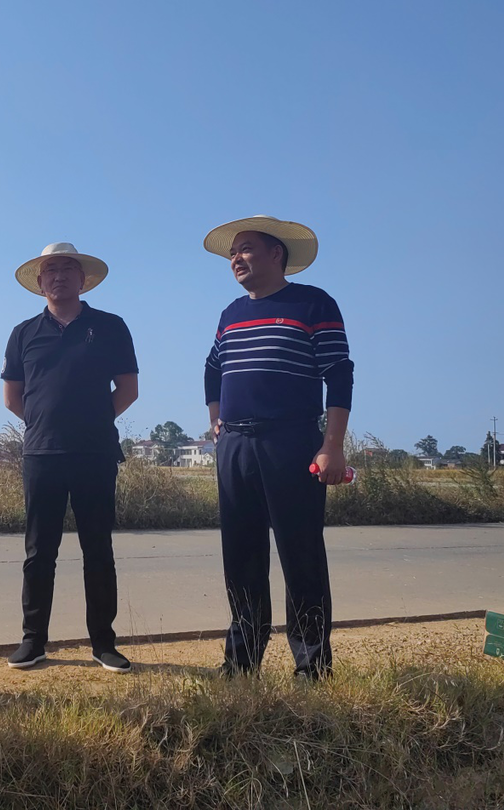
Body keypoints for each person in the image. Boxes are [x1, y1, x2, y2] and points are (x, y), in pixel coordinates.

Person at [202, 215, 353, 679]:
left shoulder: (313, 303)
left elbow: (339, 374)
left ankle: (312, 667)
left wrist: (332, 445)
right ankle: (241, 662)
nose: (236, 258)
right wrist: (216, 423)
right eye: (232, 252)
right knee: (241, 556)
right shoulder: (230, 313)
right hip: (235, 446)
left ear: (276, 254)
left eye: (246, 248)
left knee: (300, 553)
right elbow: (212, 369)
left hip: (290, 441)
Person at [1, 242, 139, 673]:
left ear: (83, 279)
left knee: (98, 549)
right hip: (41, 454)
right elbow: (12, 397)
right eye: (50, 270)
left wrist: (93, 421)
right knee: (39, 552)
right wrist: (46, 424)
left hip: (95, 453)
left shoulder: (110, 326)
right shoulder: (23, 332)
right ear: (40, 281)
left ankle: (103, 643)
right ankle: (33, 641)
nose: (58, 276)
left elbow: (128, 389)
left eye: (67, 269)